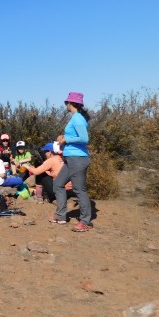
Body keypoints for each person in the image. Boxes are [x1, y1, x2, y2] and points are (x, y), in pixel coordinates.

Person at [49, 91, 93, 232]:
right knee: (58, 184)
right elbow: (75, 136)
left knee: (79, 190)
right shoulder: (75, 118)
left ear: (70, 103)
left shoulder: (78, 118)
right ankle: (61, 216)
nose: (66, 105)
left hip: (78, 159)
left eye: (66, 102)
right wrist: (64, 138)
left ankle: (85, 221)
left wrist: (66, 139)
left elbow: (84, 138)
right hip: (71, 159)